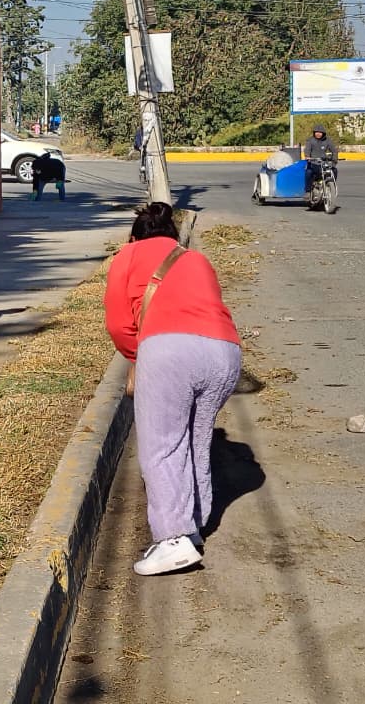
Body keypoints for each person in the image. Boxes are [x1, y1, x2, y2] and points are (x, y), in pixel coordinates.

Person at [103, 202, 241, 575]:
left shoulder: (128, 255)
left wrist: (138, 357)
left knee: (162, 446)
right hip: (225, 353)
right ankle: (194, 526)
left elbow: (118, 323)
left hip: (168, 350)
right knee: (196, 440)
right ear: (174, 238)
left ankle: (173, 539)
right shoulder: (195, 259)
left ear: (133, 236)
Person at [302, 124, 338, 194]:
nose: (318, 134)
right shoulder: (310, 140)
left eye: (320, 132)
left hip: (324, 163)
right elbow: (307, 150)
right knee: (308, 173)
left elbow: (334, 150)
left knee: (334, 170)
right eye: (316, 132)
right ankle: (308, 191)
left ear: (323, 133)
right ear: (314, 133)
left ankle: (331, 186)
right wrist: (307, 157)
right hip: (313, 163)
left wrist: (334, 160)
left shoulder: (328, 140)